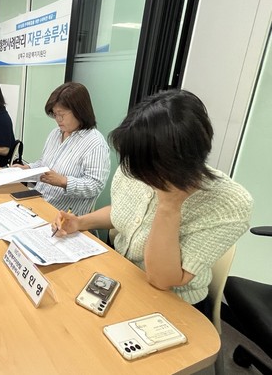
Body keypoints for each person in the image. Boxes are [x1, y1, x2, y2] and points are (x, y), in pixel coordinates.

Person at [52, 89, 253, 312]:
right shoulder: (138, 166)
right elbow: (121, 212)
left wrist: (169, 205)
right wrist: (79, 222)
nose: (135, 172)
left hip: (174, 302)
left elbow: (161, 280)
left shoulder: (230, 203)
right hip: (120, 275)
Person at [18, 82, 110, 214]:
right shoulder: (55, 133)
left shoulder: (95, 143)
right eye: (55, 114)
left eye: (61, 114)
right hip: (37, 202)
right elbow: (44, 164)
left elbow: (95, 186)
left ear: (79, 111)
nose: (58, 119)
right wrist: (27, 169)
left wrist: (64, 181)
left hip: (62, 217)